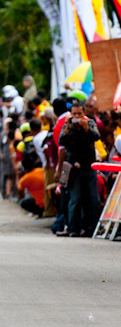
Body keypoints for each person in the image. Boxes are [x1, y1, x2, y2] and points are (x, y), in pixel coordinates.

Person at [57, 101, 101, 237]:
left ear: (84, 113)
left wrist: (86, 128)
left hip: (89, 166)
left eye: (79, 113)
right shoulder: (68, 124)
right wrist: (68, 128)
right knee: (74, 199)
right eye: (74, 113)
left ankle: (91, 228)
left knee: (93, 199)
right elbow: (61, 141)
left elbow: (96, 136)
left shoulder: (90, 123)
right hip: (73, 168)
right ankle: (73, 229)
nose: (77, 116)